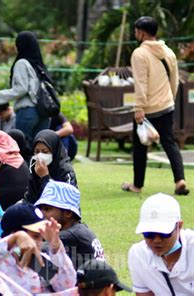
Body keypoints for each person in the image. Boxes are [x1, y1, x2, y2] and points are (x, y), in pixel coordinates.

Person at [122, 16, 189, 195]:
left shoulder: (139, 54)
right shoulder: (168, 51)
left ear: (141, 33)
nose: (135, 34)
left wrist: (139, 107)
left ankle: (137, 185)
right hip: (166, 105)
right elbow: (174, 81)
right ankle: (180, 180)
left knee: (140, 147)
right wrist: (169, 100)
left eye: (136, 31)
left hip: (147, 108)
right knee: (169, 143)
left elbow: (141, 83)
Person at [0, 202, 77, 295]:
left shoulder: (39, 261)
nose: (40, 241)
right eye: (35, 236)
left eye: (41, 236)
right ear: (12, 233)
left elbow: (67, 286)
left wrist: (56, 246)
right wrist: (14, 239)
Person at [0, 31, 51, 142]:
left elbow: (21, 89)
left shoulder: (22, 63)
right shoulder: (39, 65)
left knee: (22, 147)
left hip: (28, 111)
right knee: (38, 148)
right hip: (44, 111)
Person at [128, 193, 194, 295]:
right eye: (148, 233)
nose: (156, 240)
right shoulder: (138, 254)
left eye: (164, 233)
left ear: (179, 226)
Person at [36, 181, 105, 269]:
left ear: (68, 213)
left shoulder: (71, 235)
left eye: (47, 209)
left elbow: (33, 250)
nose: (41, 213)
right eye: (40, 209)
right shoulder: (80, 230)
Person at [26, 130, 77, 203]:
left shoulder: (66, 171)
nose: (40, 155)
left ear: (54, 151)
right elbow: (30, 197)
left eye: (45, 151)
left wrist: (45, 178)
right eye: (37, 152)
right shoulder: (34, 166)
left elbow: (65, 200)